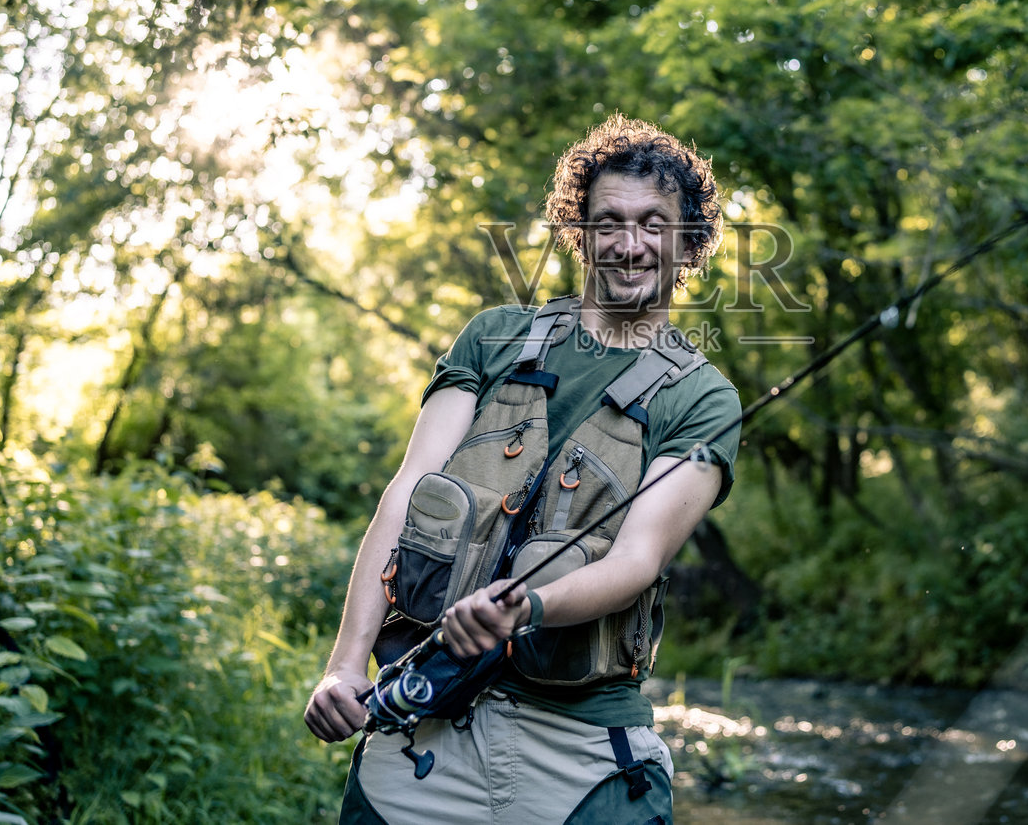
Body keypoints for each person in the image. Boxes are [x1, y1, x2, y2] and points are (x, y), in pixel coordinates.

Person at [305, 115, 742, 825]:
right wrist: (346, 665)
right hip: (423, 734)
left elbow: (636, 559)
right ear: (580, 232)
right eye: (608, 222)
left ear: (689, 241)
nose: (630, 244)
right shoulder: (492, 338)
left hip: (582, 749)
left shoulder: (703, 399)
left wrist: (527, 606)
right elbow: (407, 493)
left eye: (653, 224)